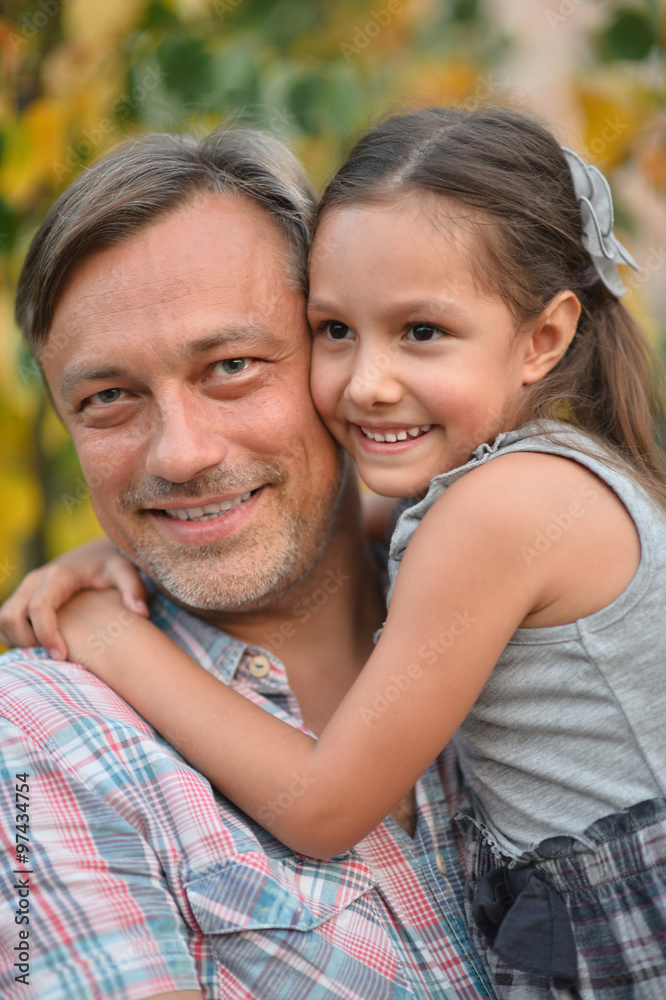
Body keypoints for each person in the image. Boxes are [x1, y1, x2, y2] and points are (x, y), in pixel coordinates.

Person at [6, 106, 665, 999]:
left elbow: (320, 807)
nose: (181, 455)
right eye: (109, 398)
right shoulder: (35, 740)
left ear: (543, 339)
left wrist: (108, 634)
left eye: (232, 365)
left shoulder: (489, 542)